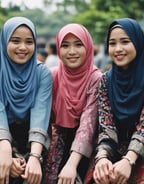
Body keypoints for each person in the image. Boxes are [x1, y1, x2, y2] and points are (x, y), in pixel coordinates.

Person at [43, 23, 102, 183]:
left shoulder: (95, 78)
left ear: (88, 46)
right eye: (65, 45)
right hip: (54, 146)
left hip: (86, 150)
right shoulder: (52, 75)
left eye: (78, 44)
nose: (72, 52)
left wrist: (71, 164)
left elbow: (88, 124)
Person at [0, 16, 53, 184]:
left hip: (33, 141)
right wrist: (6, 151)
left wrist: (35, 157)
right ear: (5, 41)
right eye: (15, 41)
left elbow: (40, 113)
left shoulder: (42, 73)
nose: (23, 47)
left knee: (31, 176)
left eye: (29, 42)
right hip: (2, 138)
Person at [92, 18, 144, 184]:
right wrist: (102, 158)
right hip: (117, 153)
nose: (118, 49)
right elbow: (107, 126)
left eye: (125, 42)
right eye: (112, 43)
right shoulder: (106, 80)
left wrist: (129, 160)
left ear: (138, 42)